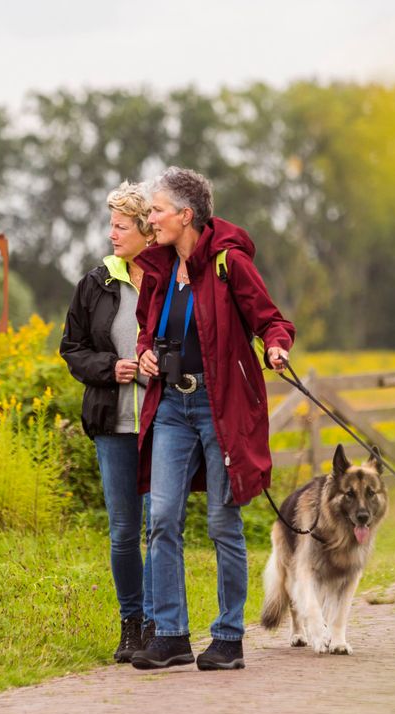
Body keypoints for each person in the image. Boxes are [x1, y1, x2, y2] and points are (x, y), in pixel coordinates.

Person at [129, 167, 295, 671]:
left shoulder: (229, 263)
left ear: (185, 215)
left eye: (157, 210)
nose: (149, 218)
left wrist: (276, 347)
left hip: (221, 409)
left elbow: (271, 319)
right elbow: (145, 330)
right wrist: (144, 355)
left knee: (223, 523)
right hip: (171, 408)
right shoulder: (158, 270)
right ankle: (172, 636)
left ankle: (227, 637)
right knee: (161, 519)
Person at [59, 181, 156, 662]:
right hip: (113, 423)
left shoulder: (169, 280)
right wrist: (109, 368)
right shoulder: (94, 284)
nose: (112, 233)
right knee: (123, 531)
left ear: (144, 230)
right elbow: (72, 349)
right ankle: (131, 624)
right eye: (111, 224)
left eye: (120, 225)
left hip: (165, 423)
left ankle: (161, 624)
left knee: (162, 527)